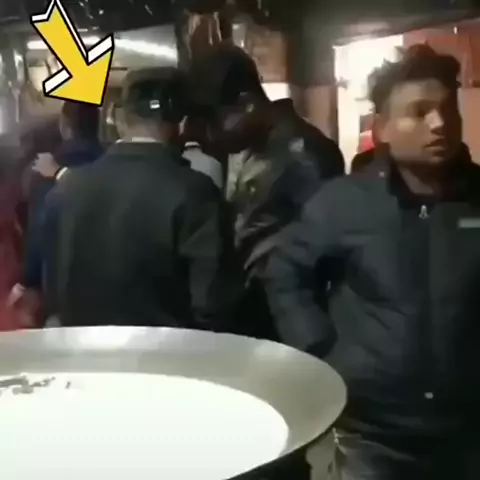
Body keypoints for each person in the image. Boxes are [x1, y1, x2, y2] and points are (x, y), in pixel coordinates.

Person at [263, 44, 480, 479]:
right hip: (371, 434)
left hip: (467, 431)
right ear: (383, 128)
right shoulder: (343, 203)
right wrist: (320, 348)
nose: (439, 123)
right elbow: (285, 272)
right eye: (419, 112)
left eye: (447, 110)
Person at [37, 67, 241, 330]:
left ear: (119, 119)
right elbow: (212, 305)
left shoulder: (65, 190)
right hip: (168, 354)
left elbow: (52, 291)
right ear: (183, 123)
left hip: (82, 352)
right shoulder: (196, 193)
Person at [189, 45, 344, 340]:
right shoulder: (244, 149)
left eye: (215, 121)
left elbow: (326, 255)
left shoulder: (306, 156)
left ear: (247, 103)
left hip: (287, 326)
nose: (210, 134)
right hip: (251, 319)